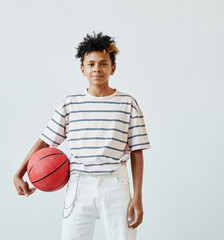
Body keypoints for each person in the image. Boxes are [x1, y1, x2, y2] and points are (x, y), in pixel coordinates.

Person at [13, 31, 151, 240]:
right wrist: (19, 173)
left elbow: (137, 152)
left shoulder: (128, 103)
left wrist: (138, 197)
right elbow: (45, 141)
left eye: (103, 64)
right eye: (91, 64)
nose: (97, 69)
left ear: (113, 68)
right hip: (79, 185)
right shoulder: (70, 104)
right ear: (82, 69)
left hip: (115, 183)